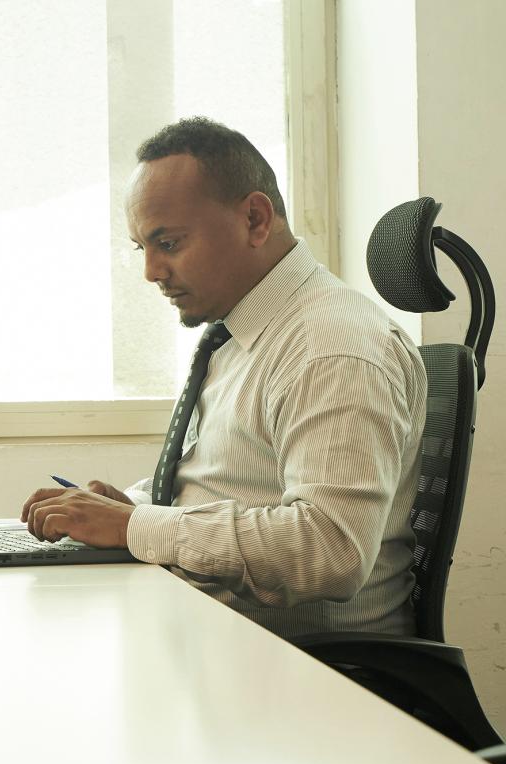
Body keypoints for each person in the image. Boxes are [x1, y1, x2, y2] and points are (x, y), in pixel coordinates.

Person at [21, 117, 427, 638]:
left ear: (255, 219)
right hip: (218, 641)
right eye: (141, 247)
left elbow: (330, 548)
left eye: (167, 243)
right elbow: (229, 485)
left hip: (309, 672)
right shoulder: (244, 333)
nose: (150, 271)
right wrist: (136, 510)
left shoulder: (332, 348)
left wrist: (136, 527)